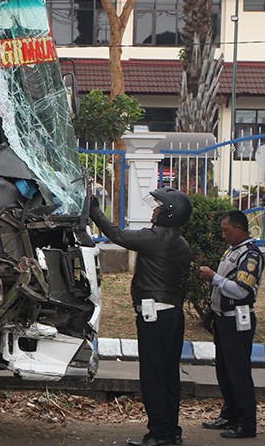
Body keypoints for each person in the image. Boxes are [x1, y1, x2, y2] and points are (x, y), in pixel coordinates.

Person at [90, 187, 192, 446]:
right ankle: (170, 431)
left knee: (153, 376)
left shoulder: (155, 238)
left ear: (169, 213)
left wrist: (94, 211)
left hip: (154, 315)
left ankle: (158, 434)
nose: (154, 210)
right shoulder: (182, 243)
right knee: (169, 376)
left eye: (158, 207)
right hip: (173, 315)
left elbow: (117, 235)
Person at [197, 210, 263, 439]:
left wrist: (214, 277)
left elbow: (242, 290)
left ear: (239, 229)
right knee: (224, 371)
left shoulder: (251, 255)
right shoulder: (233, 251)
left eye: (226, 230)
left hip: (238, 320)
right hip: (223, 319)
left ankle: (246, 424)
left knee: (238, 373)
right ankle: (230, 414)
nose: (223, 234)